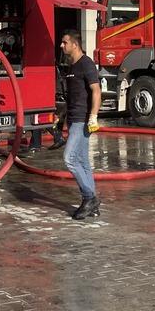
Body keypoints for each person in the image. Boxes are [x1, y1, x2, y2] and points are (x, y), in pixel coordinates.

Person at [60, 30, 101, 220]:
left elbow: (96, 91)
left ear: (75, 44)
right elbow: (73, 96)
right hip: (72, 118)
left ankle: (89, 197)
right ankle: (92, 204)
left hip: (81, 120)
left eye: (64, 42)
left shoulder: (86, 64)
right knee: (83, 162)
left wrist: (93, 116)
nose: (62, 46)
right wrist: (61, 116)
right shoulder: (71, 66)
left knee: (69, 159)